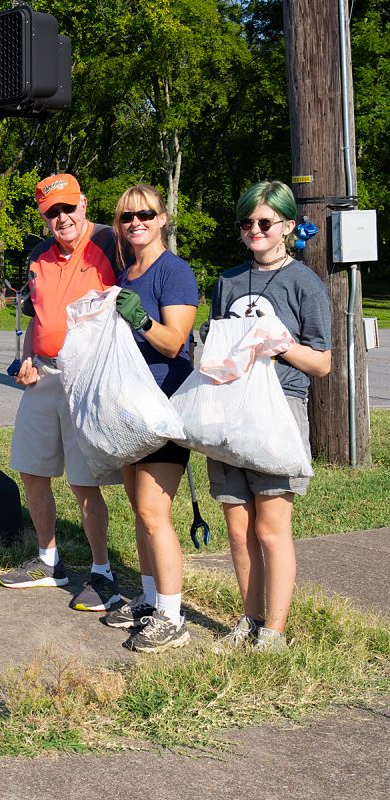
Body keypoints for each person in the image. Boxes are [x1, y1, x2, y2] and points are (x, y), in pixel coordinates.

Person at [208, 180, 331, 652]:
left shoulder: (305, 283)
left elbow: (322, 362)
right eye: (247, 223)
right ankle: (249, 617)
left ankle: (274, 632)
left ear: (286, 227)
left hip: (279, 410)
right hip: (229, 411)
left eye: (264, 222)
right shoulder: (228, 282)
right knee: (238, 528)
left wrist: (282, 346)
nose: (254, 231)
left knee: (270, 527)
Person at [0, 173, 124, 613]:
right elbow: (38, 316)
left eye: (68, 207)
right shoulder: (38, 256)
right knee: (32, 470)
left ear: (84, 204)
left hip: (88, 377)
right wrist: (29, 357)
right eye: (53, 212)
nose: (63, 217)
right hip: (45, 375)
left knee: (83, 481)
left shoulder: (110, 243)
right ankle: (49, 560)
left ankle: (103, 571)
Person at [98, 185, 199, 652]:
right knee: (139, 511)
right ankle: (150, 597)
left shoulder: (173, 272)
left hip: (164, 406)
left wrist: (140, 321)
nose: (136, 222)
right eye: (126, 217)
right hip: (129, 409)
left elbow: (175, 343)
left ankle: (173, 617)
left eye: (145, 214)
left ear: (162, 219)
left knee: (156, 513)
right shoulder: (126, 272)